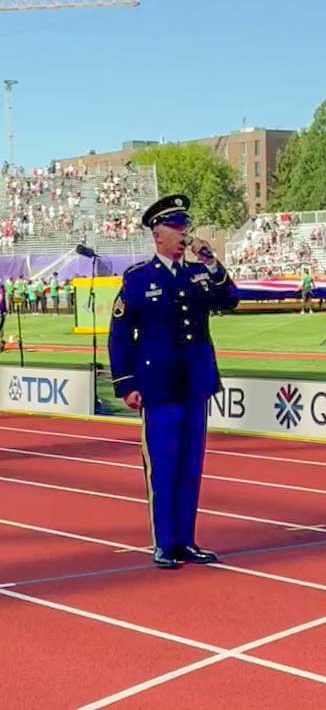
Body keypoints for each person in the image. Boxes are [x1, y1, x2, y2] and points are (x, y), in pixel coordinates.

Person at [108, 194, 238, 569]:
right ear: (157, 234)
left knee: (190, 467)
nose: (184, 235)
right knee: (163, 466)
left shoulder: (197, 274)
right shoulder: (139, 278)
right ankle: (165, 543)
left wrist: (212, 262)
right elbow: (120, 333)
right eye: (176, 228)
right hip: (159, 385)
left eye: (185, 227)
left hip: (194, 383)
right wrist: (126, 382)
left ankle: (186, 540)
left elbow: (230, 299)